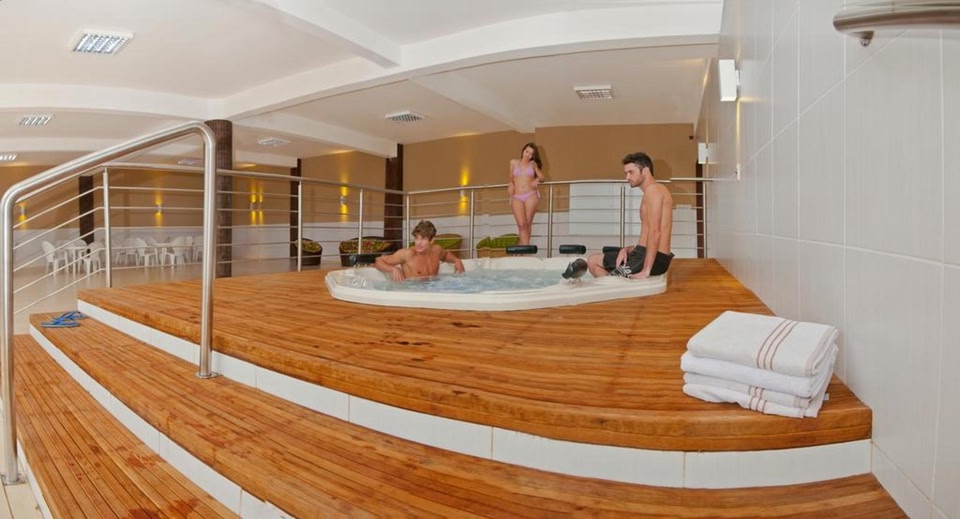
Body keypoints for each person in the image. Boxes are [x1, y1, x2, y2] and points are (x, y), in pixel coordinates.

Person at [586, 152, 674, 280]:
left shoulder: (653, 190)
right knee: (593, 261)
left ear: (645, 170)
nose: (627, 177)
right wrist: (628, 250)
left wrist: (646, 270)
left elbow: (655, 232)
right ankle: (617, 286)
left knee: (612, 278)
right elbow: (647, 234)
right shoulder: (654, 191)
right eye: (626, 173)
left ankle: (617, 287)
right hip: (641, 253)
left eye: (631, 172)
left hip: (654, 258)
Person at [374, 220, 464, 282]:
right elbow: (378, 260)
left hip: (433, 289)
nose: (418, 243)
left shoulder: (437, 250)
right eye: (416, 238)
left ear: (432, 240)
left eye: (423, 239)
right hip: (414, 292)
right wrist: (393, 269)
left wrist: (456, 260)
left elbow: (446, 255)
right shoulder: (408, 254)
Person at [508, 142, 545, 245]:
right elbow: (510, 177)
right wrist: (510, 184)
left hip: (531, 195)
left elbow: (542, 177)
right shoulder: (513, 162)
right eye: (526, 151)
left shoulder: (533, 164)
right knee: (521, 225)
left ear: (533, 156)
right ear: (523, 150)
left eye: (531, 154)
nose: (528, 155)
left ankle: (524, 251)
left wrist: (537, 179)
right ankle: (525, 250)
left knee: (527, 224)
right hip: (517, 196)